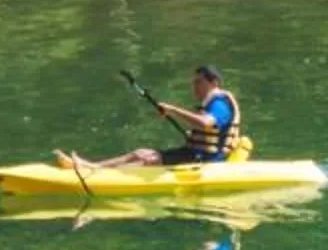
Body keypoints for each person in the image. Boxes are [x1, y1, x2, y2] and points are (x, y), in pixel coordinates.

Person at [62, 66, 245, 171]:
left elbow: (205, 123)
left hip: (206, 161)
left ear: (214, 83)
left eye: (199, 82)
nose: (194, 87)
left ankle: (93, 171)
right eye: (193, 83)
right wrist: (192, 135)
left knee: (146, 159)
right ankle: (91, 167)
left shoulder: (220, 102)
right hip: (196, 154)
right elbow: (208, 129)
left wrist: (173, 110)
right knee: (139, 152)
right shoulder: (212, 103)